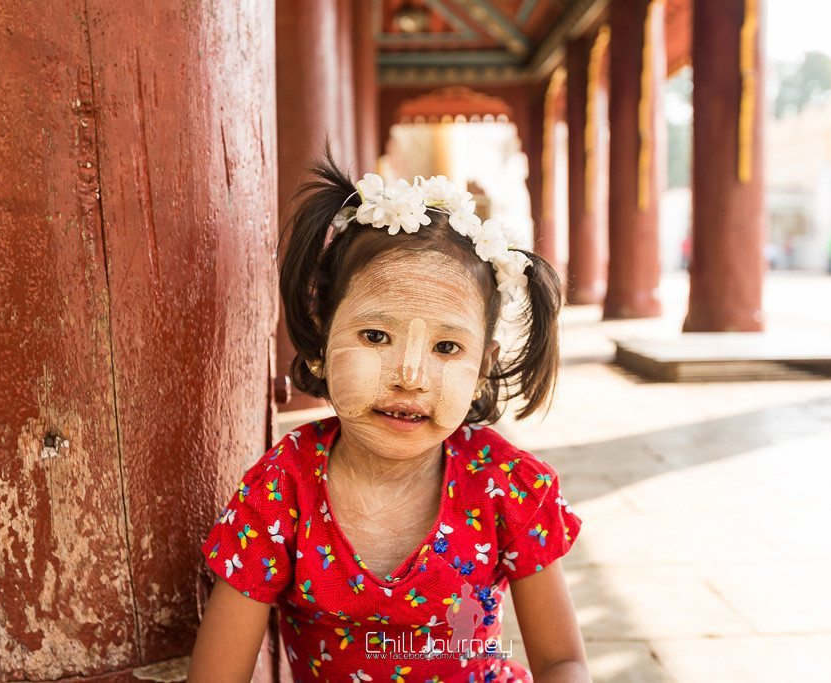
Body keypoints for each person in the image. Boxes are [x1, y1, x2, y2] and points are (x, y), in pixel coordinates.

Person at [188, 151, 589, 682]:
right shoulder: (281, 493)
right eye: (375, 336)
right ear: (321, 337)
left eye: (447, 347)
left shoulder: (505, 487)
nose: (410, 376)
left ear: (482, 368)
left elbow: (563, 662)